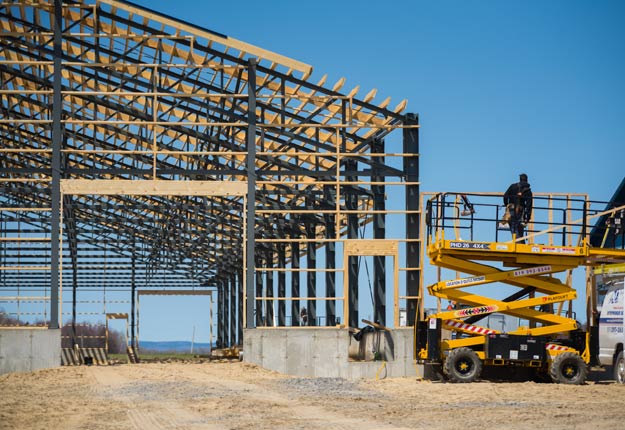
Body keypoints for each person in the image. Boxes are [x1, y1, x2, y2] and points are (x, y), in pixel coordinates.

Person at [503, 173, 533, 242]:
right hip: (520, 210)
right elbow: (529, 205)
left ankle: (518, 242)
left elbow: (505, 196)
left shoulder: (513, 186)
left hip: (511, 209)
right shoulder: (528, 191)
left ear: (520, 179)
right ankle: (520, 241)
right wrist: (527, 217)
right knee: (519, 227)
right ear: (527, 180)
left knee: (514, 226)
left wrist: (507, 205)